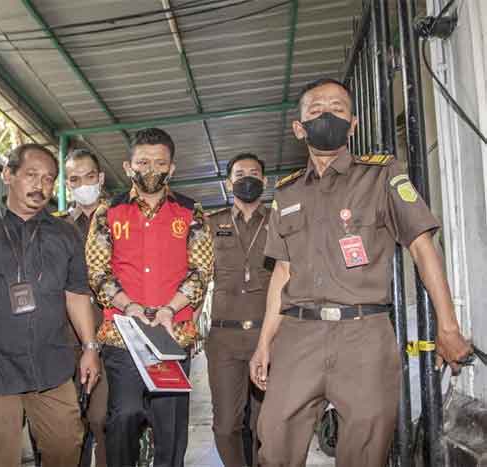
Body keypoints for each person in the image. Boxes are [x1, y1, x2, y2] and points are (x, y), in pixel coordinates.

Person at [249, 78, 472, 467]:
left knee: (366, 452)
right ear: (299, 128)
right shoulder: (285, 194)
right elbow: (282, 273)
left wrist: (447, 326)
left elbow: (422, 245)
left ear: (352, 124)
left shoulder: (382, 175)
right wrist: (265, 342)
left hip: (364, 336)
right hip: (298, 335)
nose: (327, 115)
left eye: (337, 108)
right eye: (316, 110)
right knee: (275, 445)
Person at [0, 143, 101, 467]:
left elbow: (77, 293)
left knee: (67, 445)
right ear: (8, 175)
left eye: (49, 179)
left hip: (51, 365)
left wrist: (90, 347)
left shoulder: (65, 234)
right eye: (32, 175)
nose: (40, 186)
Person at [86, 127, 214, 467]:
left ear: (172, 168)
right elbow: (98, 272)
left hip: (171, 335)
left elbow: (201, 270)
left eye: (160, 163)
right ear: (128, 166)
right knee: (123, 416)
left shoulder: (191, 212)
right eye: (143, 162)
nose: (151, 170)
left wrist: (170, 310)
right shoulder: (107, 212)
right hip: (123, 335)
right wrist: (129, 306)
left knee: (170, 428)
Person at [206, 153, 272, 467]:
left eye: (254, 172)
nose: (247, 177)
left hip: (267, 337)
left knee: (266, 425)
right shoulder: (210, 223)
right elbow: (192, 273)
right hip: (224, 340)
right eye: (240, 173)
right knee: (225, 425)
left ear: (265, 181)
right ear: (228, 182)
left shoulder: (279, 222)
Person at [63, 148, 109, 467]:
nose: (83, 185)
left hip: (113, 335)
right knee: (67, 424)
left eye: (89, 177)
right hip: (67, 338)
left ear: (101, 178)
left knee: (103, 420)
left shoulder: (123, 220)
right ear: (67, 185)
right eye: (74, 179)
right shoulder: (56, 226)